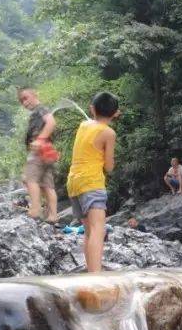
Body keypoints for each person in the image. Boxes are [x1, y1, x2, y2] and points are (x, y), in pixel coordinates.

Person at [66, 92, 120, 273]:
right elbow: (110, 166)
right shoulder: (108, 133)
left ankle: (91, 271)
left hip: (74, 183)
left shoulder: (83, 125)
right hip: (91, 183)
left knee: (88, 231)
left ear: (92, 109)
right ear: (115, 113)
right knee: (99, 230)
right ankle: (95, 277)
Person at [18, 88, 59, 223]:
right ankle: (53, 215)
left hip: (39, 151)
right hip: (47, 151)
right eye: (21, 101)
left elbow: (51, 122)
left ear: (35, 94)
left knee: (30, 179)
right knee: (47, 185)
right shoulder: (38, 111)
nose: (24, 103)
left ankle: (35, 210)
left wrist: (40, 139)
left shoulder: (40, 109)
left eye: (26, 98)